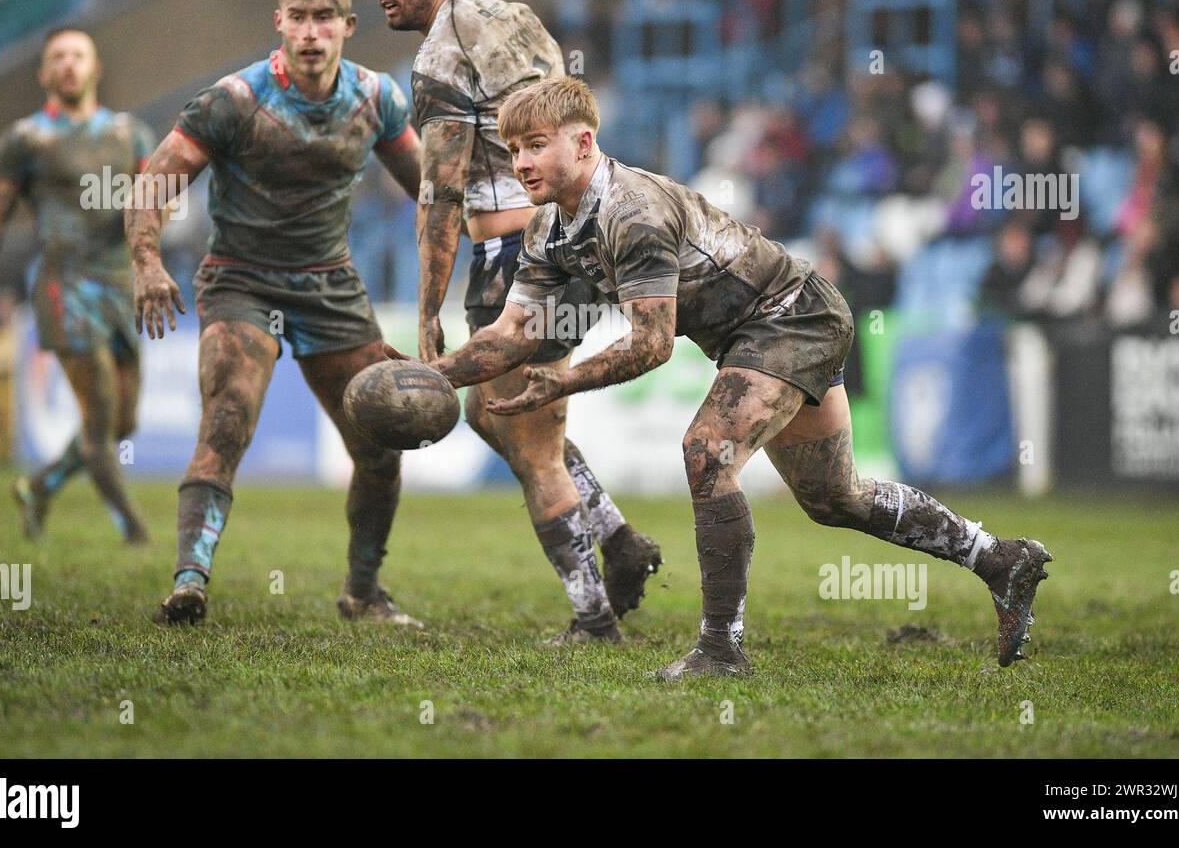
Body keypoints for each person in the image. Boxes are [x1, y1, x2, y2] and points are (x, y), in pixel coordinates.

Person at [429, 76, 1054, 679]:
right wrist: (432, 375)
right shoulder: (546, 227)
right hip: (763, 330)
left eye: (537, 144)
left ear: (585, 142)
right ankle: (999, 558)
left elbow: (651, 345)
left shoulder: (632, 213)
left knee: (707, 452)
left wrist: (561, 384)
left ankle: (720, 649)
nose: (521, 162)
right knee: (837, 499)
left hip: (791, 318)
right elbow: (513, 333)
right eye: (513, 149)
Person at [365, 0, 660, 643]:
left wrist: (429, 309)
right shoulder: (521, 18)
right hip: (578, 242)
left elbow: (440, 195)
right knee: (493, 414)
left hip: (514, 261)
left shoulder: (439, 59)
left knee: (530, 446)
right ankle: (619, 538)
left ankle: (595, 617)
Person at [126, 0, 424, 626]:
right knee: (228, 418)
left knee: (380, 446)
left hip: (329, 284)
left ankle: (363, 593)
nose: (311, 32)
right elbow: (153, 183)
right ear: (279, 23)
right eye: (299, 17)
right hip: (242, 276)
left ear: (349, 25)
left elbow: (429, 199)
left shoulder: (377, 98)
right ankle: (189, 582)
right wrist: (146, 259)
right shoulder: (234, 101)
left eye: (325, 18)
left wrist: (432, 312)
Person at [0, 27, 154, 545]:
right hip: (65, 288)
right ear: (44, 73)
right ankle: (135, 531)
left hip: (121, 287)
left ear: (95, 67)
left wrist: (152, 257)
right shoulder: (25, 140)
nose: (68, 64)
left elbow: (159, 204)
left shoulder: (131, 134)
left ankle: (40, 487)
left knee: (122, 425)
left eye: (78, 55)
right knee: (101, 412)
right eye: (57, 57)